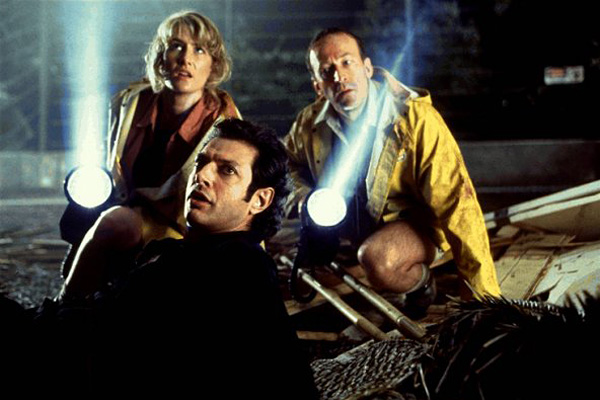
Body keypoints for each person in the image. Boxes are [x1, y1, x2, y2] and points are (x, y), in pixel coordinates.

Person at [11, 119, 319, 399]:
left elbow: (118, 349)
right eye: (201, 162)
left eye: (227, 170)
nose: (202, 175)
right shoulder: (184, 253)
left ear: (260, 200)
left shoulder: (238, 266)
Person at [283, 28, 501, 317]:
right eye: (327, 71)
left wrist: (482, 298)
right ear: (318, 86)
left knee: (378, 261)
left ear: (367, 68)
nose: (339, 76)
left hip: (416, 223)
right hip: (357, 223)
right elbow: (287, 164)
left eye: (347, 62)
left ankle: (421, 285)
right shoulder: (309, 123)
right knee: (319, 255)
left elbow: (458, 204)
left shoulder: (414, 119)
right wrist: (303, 196)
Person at [61, 10, 241, 296]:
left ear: (213, 64)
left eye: (199, 49)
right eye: (176, 46)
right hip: (130, 211)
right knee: (94, 218)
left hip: (189, 228)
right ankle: (65, 305)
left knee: (119, 228)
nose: (185, 59)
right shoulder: (129, 104)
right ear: (161, 56)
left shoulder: (225, 123)